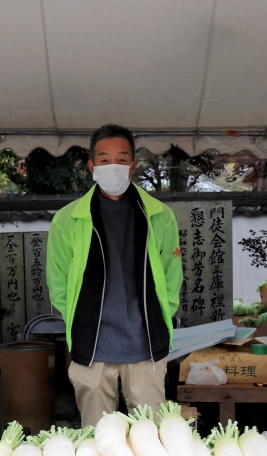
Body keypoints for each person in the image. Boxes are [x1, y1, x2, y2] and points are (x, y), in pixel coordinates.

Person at [46, 124, 182, 427]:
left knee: (153, 438)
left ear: (133, 164)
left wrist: (160, 318)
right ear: (92, 166)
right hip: (92, 348)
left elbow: (173, 278)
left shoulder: (160, 215)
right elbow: (58, 284)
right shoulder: (67, 220)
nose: (113, 166)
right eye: (104, 160)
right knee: (97, 441)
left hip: (146, 346)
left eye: (122, 159)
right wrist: (80, 322)